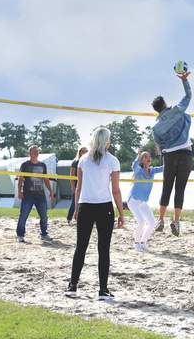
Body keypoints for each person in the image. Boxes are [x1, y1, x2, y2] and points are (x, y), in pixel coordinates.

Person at [65, 127, 125, 301]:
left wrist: (76, 209)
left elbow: (78, 188)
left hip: (85, 206)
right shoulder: (112, 160)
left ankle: (72, 286)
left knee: (81, 247)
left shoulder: (83, 159)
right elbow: (116, 190)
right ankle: (103, 290)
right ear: (107, 141)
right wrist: (121, 213)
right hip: (103, 208)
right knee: (103, 249)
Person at [152, 70, 192, 236]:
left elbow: (159, 145)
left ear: (156, 110)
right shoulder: (176, 110)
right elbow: (188, 96)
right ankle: (175, 221)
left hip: (169, 155)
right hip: (185, 153)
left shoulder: (156, 127)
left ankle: (160, 219)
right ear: (165, 103)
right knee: (180, 189)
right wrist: (184, 80)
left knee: (166, 188)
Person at [16, 145, 55, 242]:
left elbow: (46, 179)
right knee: (23, 215)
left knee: (44, 216)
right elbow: (20, 178)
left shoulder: (42, 165)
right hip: (28, 195)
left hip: (40, 195)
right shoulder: (25, 165)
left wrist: (50, 191)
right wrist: (19, 191)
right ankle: (20, 235)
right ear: (30, 153)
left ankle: (44, 234)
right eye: (34, 152)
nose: (36, 153)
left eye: (37, 152)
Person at [129, 149, 163, 252]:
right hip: (133, 201)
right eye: (145, 157)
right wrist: (138, 156)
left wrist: (169, 156)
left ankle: (143, 242)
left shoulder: (152, 170)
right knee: (141, 222)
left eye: (149, 157)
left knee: (152, 223)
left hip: (143, 202)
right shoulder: (138, 170)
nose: (148, 158)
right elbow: (134, 166)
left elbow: (164, 168)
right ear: (142, 160)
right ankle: (136, 243)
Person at [67, 146, 88, 225]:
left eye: (86, 151)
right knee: (74, 203)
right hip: (77, 185)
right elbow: (71, 175)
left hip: (86, 185)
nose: (84, 152)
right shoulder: (75, 161)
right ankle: (69, 218)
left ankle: (84, 218)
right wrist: (73, 186)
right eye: (83, 151)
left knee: (85, 203)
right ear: (79, 152)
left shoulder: (88, 161)